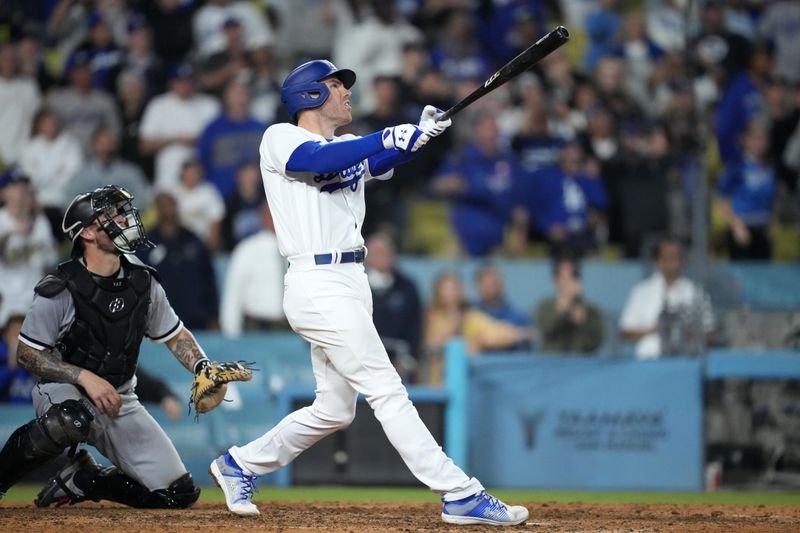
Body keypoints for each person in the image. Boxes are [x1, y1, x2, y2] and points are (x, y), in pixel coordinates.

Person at [208, 59, 529, 526]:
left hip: (350, 282)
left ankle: (239, 465)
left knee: (335, 409)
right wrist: (389, 137)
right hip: (316, 283)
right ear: (310, 95)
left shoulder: (345, 147)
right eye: (336, 86)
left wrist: (419, 137)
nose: (347, 94)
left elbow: (377, 159)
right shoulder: (281, 138)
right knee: (387, 389)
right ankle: (459, 493)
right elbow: (317, 161)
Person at [0, 185, 222, 508]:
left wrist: (204, 367)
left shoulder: (143, 282)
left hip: (120, 399)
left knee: (178, 495)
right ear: (88, 232)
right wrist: (84, 378)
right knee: (69, 418)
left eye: (122, 212)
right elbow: (27, 354)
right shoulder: (61, 287)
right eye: (112, 215)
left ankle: (86, 480)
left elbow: (175, 335)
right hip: (64, 391)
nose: (124, 219)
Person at [619, 237, 715, 359]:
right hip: (649, 361)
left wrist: (688, 332)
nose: (671, 262)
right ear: (658, 261)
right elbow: (625, 332)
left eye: (675, 257)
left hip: (686, 361)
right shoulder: (642, 292)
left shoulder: (695, 292)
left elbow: (710, 332)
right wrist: (654, 330)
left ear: (682, 260)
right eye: (667, 257)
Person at [220, 202, 286, 336]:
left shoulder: (294, 250)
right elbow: (233, 294)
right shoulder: (247, 249)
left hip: (290, 329)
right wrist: (231, 334)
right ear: (261, 217)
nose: (273, 218)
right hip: (256, 328)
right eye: (269, 214)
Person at [364, 233, 422, 382]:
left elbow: (415, 324)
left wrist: (411, 357)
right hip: (362, 356)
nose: (383, 257)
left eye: (387, 253)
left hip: (397, 360)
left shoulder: (406, 287)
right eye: (378, 253)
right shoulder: (357, 284)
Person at [535, 256, 604, 354]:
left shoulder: (591, 311)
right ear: (555, 280)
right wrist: (562, 308)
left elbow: (595, 343)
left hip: (582, 364)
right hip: (551, 363)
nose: (567, 282)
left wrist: (583, 322)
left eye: (571, 277)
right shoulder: (545, 307)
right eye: (562, 277)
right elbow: (545, 332)